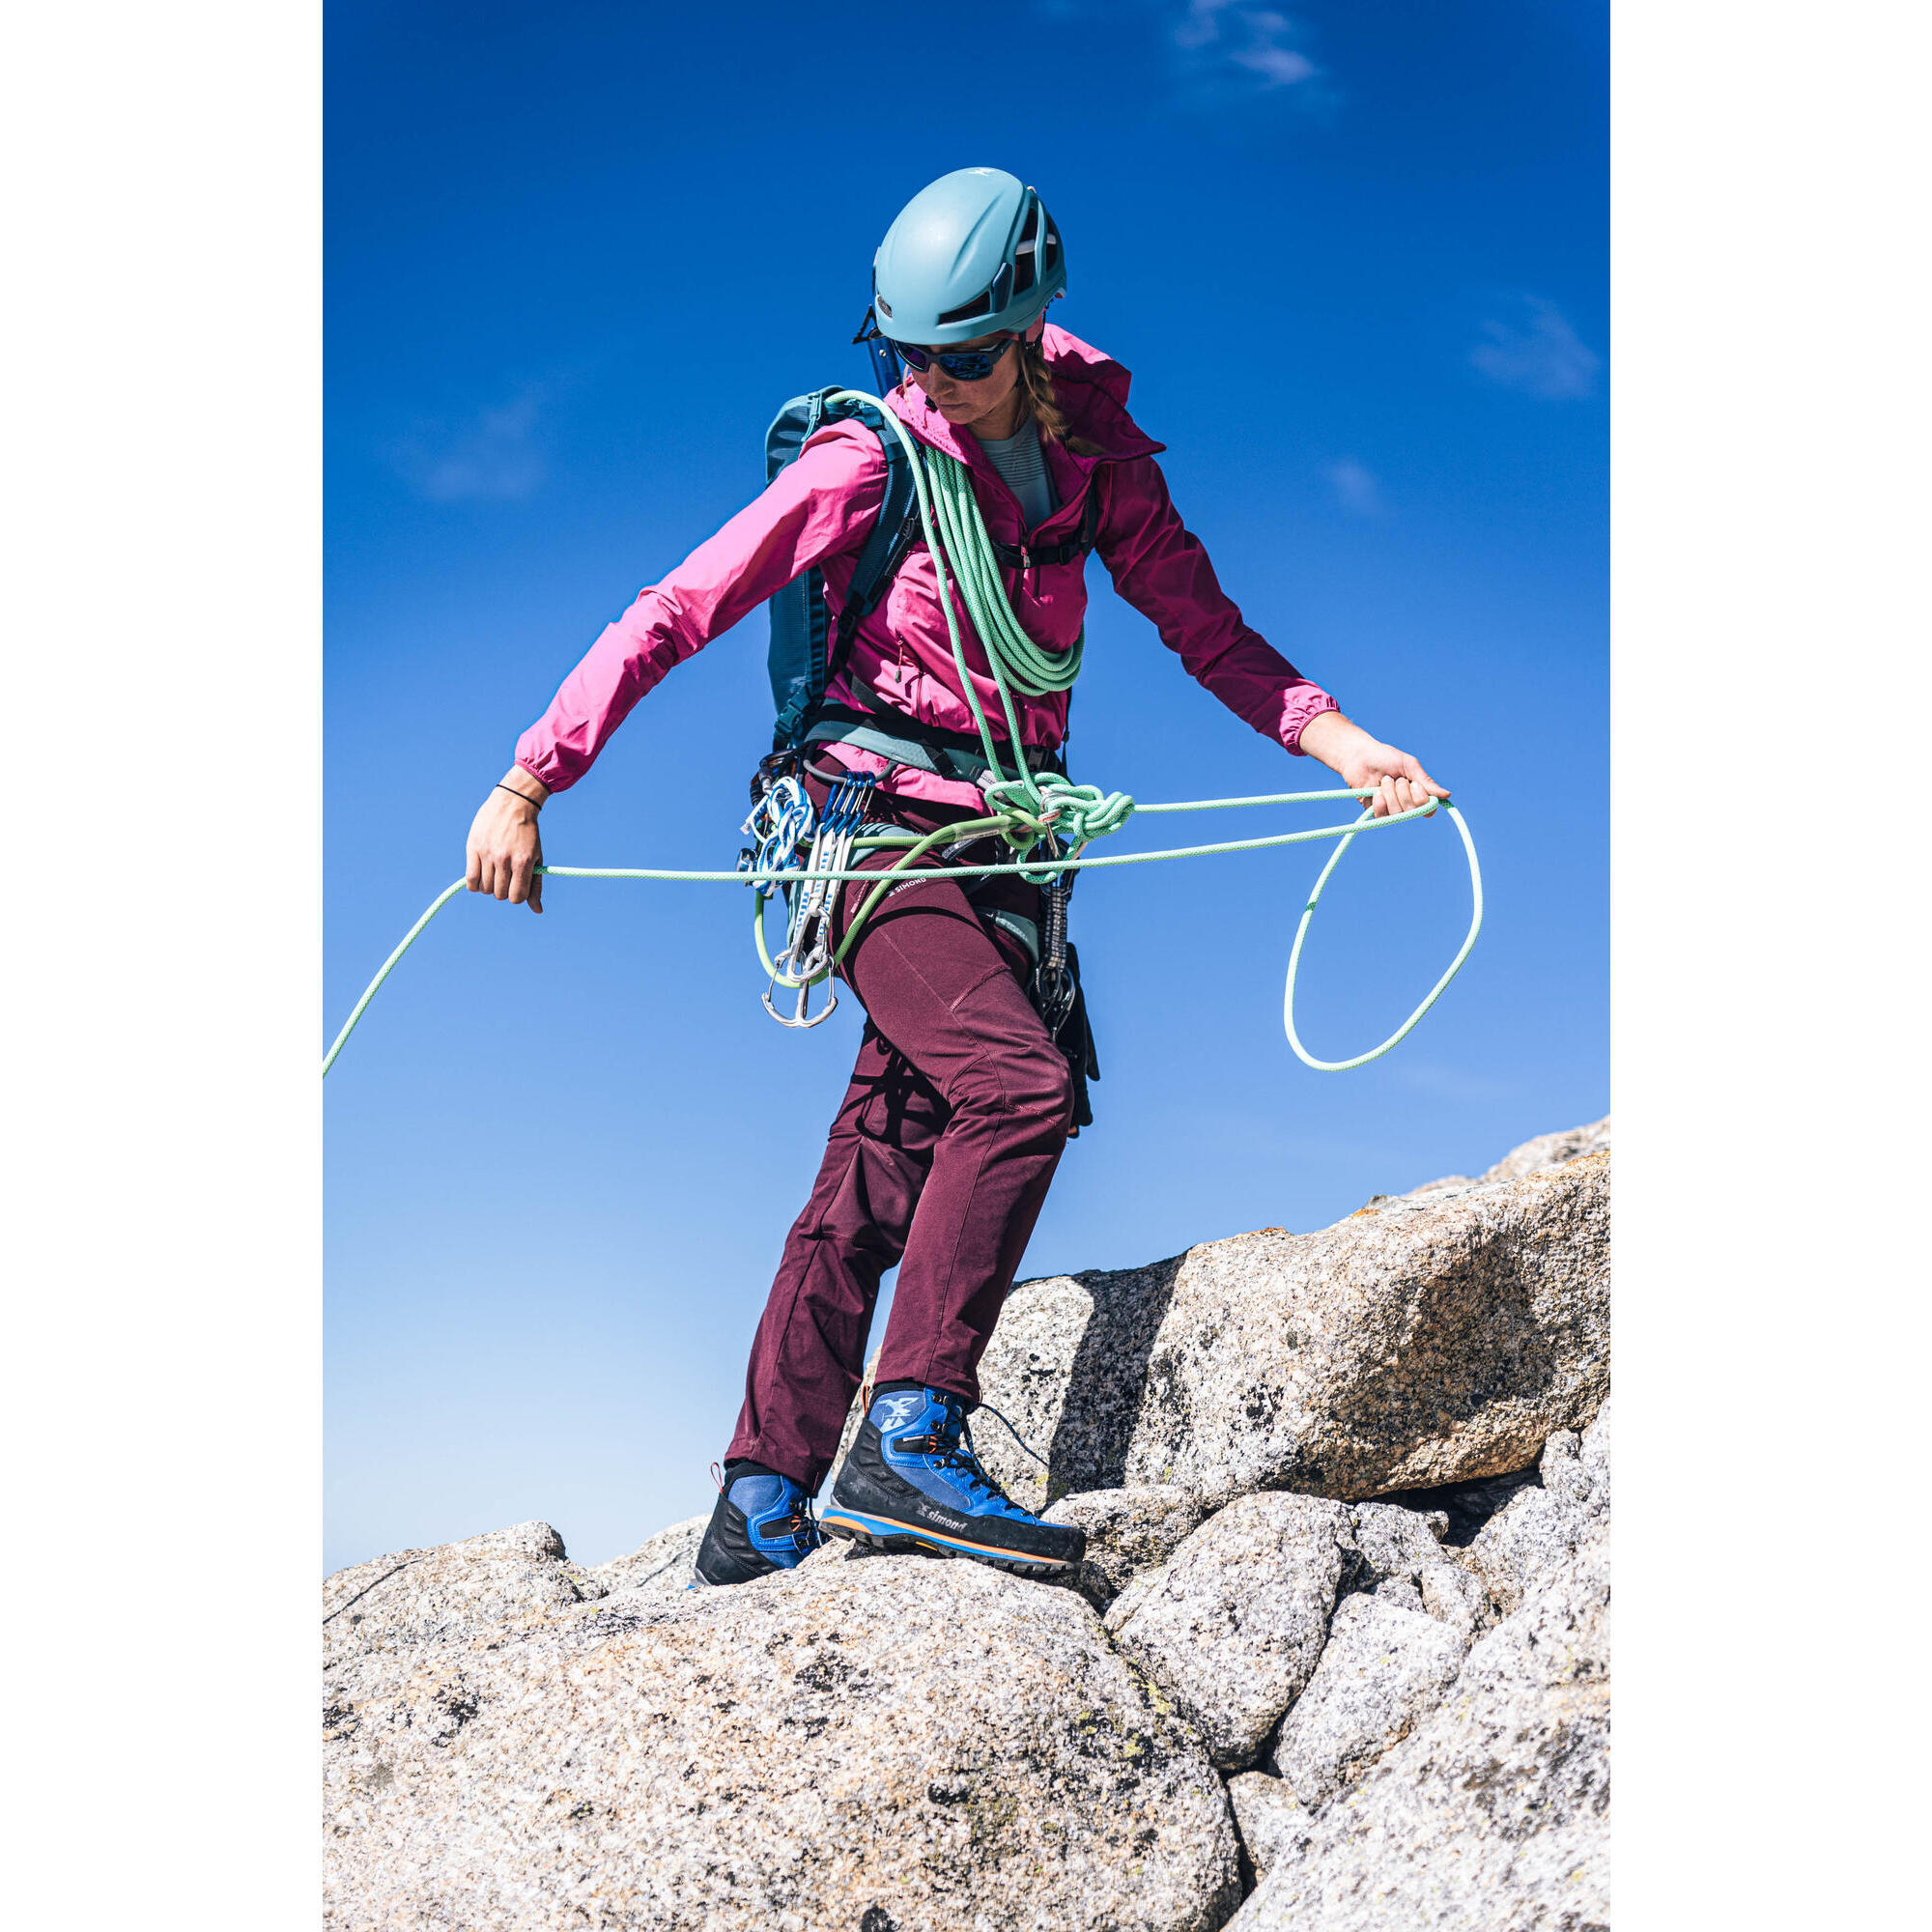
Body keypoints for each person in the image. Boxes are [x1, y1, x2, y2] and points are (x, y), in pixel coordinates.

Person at [464, 168, 1447, 1587]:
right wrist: (530, 779)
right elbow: (679, 607)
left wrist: (1347, 747)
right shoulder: (868, 464)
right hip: (865, 836)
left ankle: (758, 1495)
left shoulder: (1103, 468)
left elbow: (1210, 633)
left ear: (1034, 327)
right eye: (910, 352)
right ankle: (912, 1433)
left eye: (969, 355)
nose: (937, 380)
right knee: (1016, 1086)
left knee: (879, 1158)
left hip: (1001, 851)